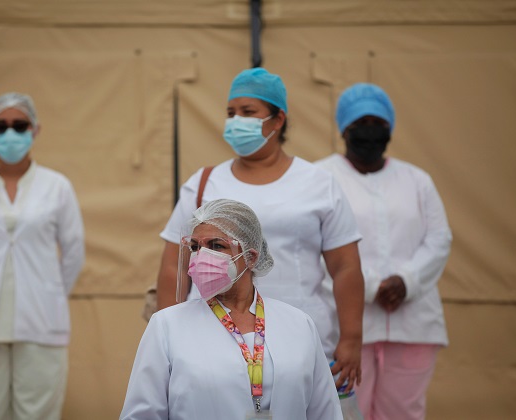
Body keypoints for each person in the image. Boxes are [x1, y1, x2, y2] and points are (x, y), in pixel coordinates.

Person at [156, 67, 365, 391]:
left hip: (303, 343)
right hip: (209, 340)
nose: (236, 120)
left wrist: (351, 338)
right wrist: (167, 336)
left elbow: (347, 266)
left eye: (248, 112)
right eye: (230, 112)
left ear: (277, 119)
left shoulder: (319, 184)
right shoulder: (204, 183)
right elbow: (175, 264)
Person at [121, 199, 342, 419]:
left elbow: (325, 411)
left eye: (216, 246)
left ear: (251, 257)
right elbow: (142, 414)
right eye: (195, 247)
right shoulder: (166, 325)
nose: (201, 256)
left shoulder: (298, 324)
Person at [313, 83, 452, 420]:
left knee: (404, 412)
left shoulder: (417, 180)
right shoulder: (319, 178)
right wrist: (372, 287)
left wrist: (407, 281)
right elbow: (314, 245)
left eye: (379, 123)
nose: (370, 132)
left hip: (413, 322)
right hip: (344, 326)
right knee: (345, 413)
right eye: (360, 124)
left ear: (390, 128)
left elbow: (439, 239)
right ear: (344, 129)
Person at [0, 92, 85, 420]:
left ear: (35, 130)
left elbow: (73, 251)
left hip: (41, 317)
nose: (10, 133)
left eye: (20, 125)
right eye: (1, 125)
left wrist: (48, 291)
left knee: (39, 412)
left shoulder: (57, 186)